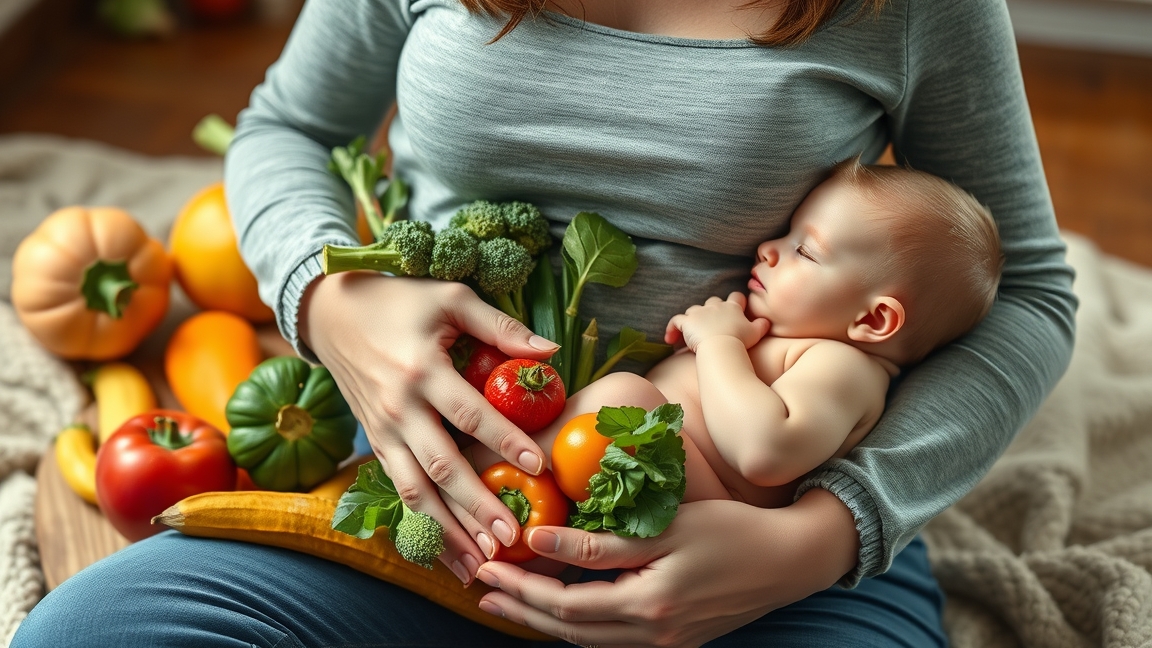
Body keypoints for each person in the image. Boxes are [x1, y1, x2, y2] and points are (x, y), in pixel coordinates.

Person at [11, 0, 1076, 646]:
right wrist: (327, 300)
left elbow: (1025, 291)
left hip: (752, 575)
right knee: (91, 637)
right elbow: (283, 129)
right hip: (428, 518)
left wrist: (823, 536)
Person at [467, 158, 1004, 528]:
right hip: (631, 482)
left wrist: (719, 345)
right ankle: (470, 485)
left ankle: (460, 480)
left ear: (876, 319)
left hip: (703, 513)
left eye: (805, 251)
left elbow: (763, 452)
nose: (770, 249)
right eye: (787, 233)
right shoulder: (801, 340)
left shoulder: (845, 367)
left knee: (624, 400)